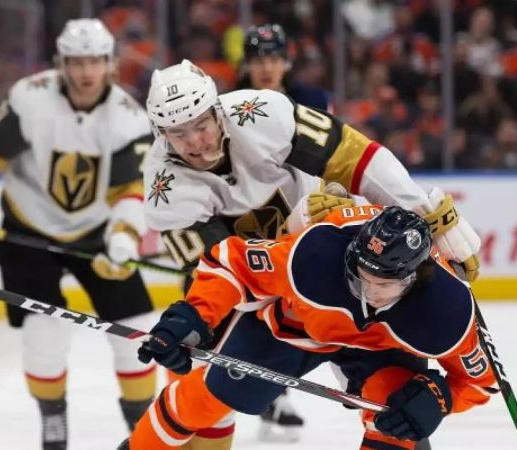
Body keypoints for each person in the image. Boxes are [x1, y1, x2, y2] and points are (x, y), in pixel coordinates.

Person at [141, 59, 483, 448]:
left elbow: (358, 159)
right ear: (161, 134)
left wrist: (429, 214)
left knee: (399, 412)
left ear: (218, 110)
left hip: (353, 267)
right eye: (179, 133)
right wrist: (298, 233)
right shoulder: (164, 193)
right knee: (207, 394)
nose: (196, 142)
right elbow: (232, 275)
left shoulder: (261, 114)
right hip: (285, 297)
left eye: (201, 124)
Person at [0, 19, 155, 450]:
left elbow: (128, 192)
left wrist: (121, 243)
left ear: (111, 65)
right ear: (62, 63)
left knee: (134, 330)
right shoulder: (31, 99)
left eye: (95, 61)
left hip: (97, 230)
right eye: (77, 62)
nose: (86, 72)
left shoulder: (128, 119)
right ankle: (53, 419)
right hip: (27, 226)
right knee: (45, 332)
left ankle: (144, 429)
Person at [125, 204, 497, 450]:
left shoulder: (445, 309)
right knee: (210, 398)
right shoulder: (316, 253)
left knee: (398, 418)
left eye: (382, 285)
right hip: (296, 328)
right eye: (359, 277)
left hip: (382, 351)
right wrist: (191, 316)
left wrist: (439, 398)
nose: (367, 292)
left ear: (414, 279)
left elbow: (479, 381)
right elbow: (232, 263)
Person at [237, 23, 329, 111]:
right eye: (258, 61)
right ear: (247, 65)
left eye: (274, 61)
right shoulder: (229, 104)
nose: (267, 69)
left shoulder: (311, 101)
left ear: (287, 63)